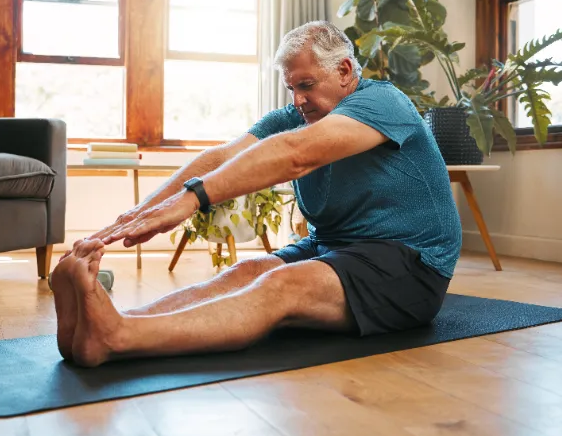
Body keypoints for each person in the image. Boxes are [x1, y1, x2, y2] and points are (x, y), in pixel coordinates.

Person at [51, 20, 462, 368]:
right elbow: (222, 157)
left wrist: (191, 200)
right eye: (292, 88)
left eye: (307, 85)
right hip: (335, 247)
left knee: (281, 284)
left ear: (344, 69)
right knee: (245, 272)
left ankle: (117, 337)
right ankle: (109, 321)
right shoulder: (296, 114)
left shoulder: (383, 102)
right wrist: (137, 214)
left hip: (411, 264)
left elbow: (295, 155)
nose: (299, 100)